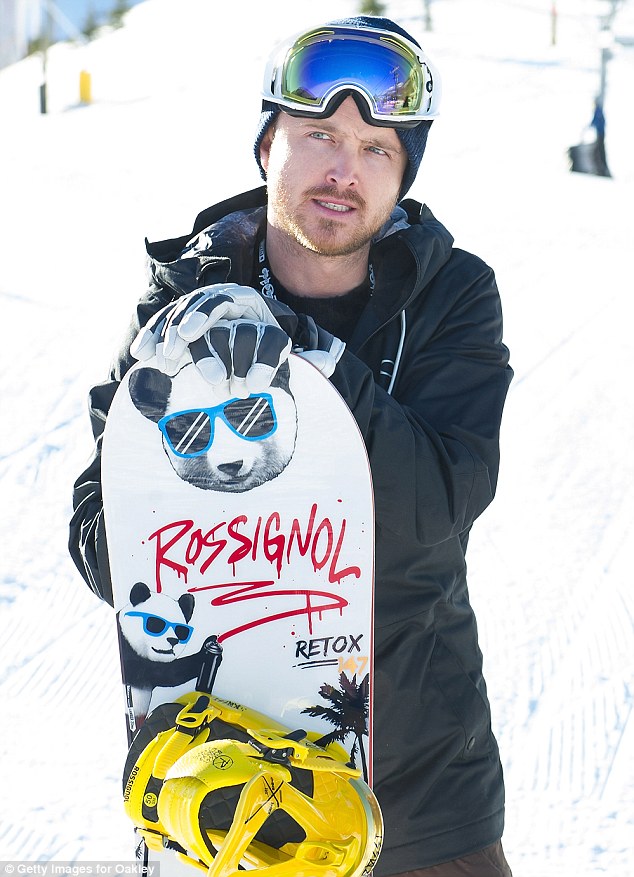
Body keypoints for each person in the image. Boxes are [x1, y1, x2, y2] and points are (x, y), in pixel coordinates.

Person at [69, 16, 514, 877]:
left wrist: (311, 361)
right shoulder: (178, 303)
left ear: (403, 175)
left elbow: (435, 510)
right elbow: (102, 544)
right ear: (269, 143)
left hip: (422, 785)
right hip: (223, 782)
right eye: (318, 135)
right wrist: (185, 411)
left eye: (378, 147)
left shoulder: (452, 296)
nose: (344, 168)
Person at [590, 97, 611, 177]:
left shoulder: (598, 110)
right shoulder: (598, 110)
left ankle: (602, 169)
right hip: (600, 134)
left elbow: (598, 121)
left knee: (599, 151)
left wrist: (593, 125)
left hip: (601, 134)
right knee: (598, 151)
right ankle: (600, 169)